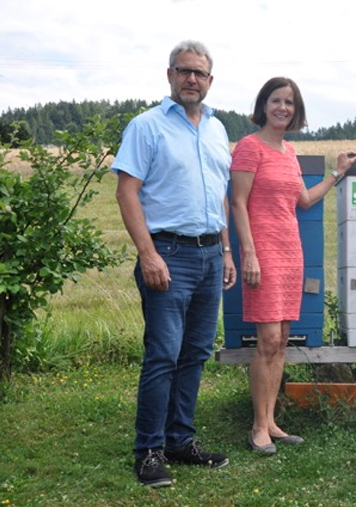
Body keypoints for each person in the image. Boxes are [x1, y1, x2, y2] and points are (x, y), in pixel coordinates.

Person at [113, 40, 236, 486]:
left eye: (199, 73)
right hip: (169, 254)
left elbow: (219, 194)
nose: (191, 79)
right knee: (163, 354)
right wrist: (148, 253)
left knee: (196, 353)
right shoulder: (146, 126)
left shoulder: (219, 130)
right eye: (183, 71)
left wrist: (225, 250)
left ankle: (180, 441)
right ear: (169, 75)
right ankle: (148, 451)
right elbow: (127, 191)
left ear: (210, 81)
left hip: (208, 255)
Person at [230, 77, 356, 455]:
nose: (282, 107)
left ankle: (271, 421)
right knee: (267, 341)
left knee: (283, 341)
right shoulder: (249, 147)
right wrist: (249, 253)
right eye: (276, 100)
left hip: (291, 253)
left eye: (289, 102)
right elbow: (238, 203)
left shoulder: (288, 152)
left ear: (295, 110)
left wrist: (338, 172)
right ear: (263, 105)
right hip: (263, 253)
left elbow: (303, 199)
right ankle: (257, 427)